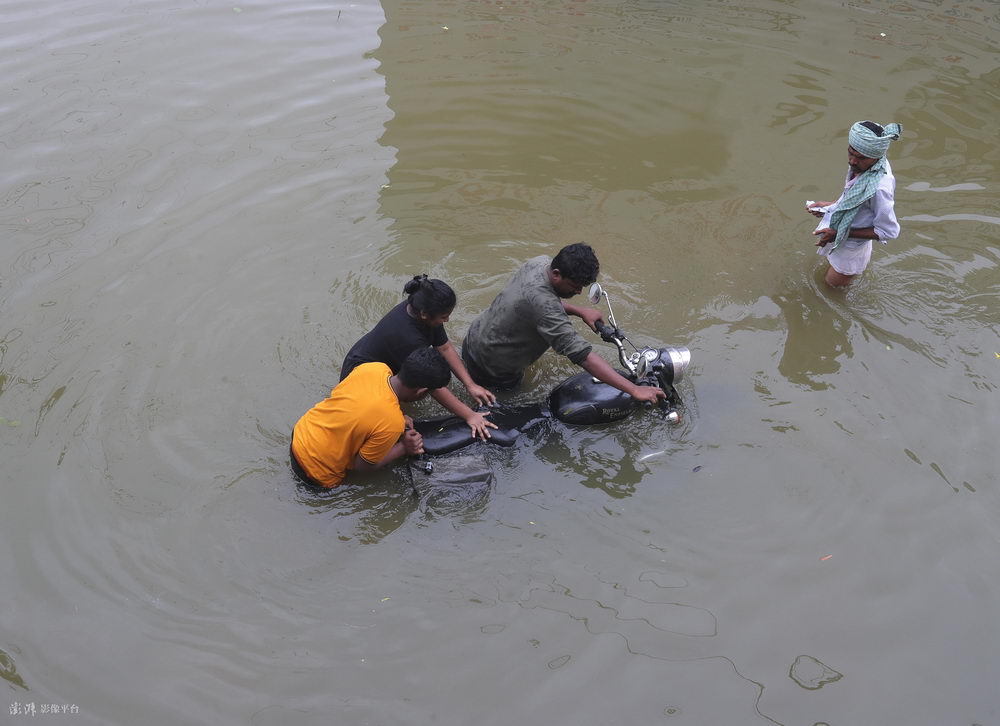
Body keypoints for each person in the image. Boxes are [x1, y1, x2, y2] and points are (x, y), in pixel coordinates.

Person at [461, 242, 664, 404]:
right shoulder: (544, 304)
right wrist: (634, 389)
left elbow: (532, 303)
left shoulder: (539, 263)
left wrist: (579, 311)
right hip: (494, 369)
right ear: (557, 274)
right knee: (515, 408)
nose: (578, 292)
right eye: (575, 286)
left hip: (474, 340)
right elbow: (582, 356)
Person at [340, 275, 498, 440]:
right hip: (360, 379)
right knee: (390, 422)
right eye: (444, 317)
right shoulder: (408, 338)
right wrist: (469, 415)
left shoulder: (425, 312)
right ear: (424, 314)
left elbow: (444, 347)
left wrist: (470, 385)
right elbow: (432, 386)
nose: (447, 320)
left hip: (381, 366)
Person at [291, 347, 451, 489]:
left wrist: (398, 417)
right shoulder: (391, 423)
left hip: (300, 435)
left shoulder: (374, 368)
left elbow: (357, 405)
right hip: (316, 474)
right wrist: (404, 448)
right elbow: (362, 467)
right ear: (422, 391)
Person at [808, 120, 902, 287]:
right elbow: (853, 195)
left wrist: (840, 233)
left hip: (851, 250)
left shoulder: (880, 188)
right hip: (841, 239)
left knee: (830, 290)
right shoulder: (865, 165)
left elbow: (888, 231)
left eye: (860, 157)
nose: (852, 161)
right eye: (850, 153)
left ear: (875, 156)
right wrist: (831, 206)